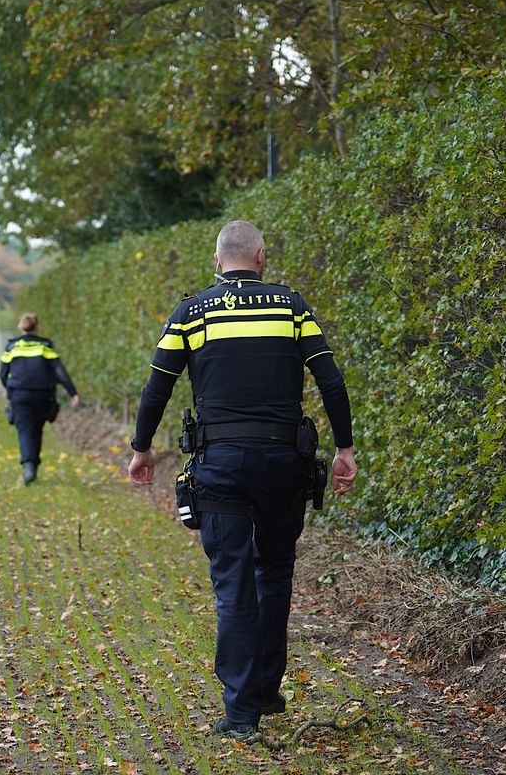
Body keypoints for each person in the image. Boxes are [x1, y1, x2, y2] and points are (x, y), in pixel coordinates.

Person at [127, 220, 357, 739]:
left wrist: (142, 451)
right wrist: (344, 448)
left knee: (232, 584)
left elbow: (156, 387)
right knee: (274, 573)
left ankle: (241, 714)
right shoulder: (292, 308)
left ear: (216, 261)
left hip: (220, 466)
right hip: (283, 464)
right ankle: (266, 691)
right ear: (260, 256)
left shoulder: (191, 313)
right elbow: (330, 379)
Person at [0, 312, 80, 484]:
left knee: (25, 431)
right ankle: (33, 467)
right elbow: (60, 372)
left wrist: (9, 391)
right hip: (43, 396)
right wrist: (72, 392)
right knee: (37, 430)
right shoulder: (45, 346)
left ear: (21, 326)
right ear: (37, 327)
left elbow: (2, 374)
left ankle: (28, 466)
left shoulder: (12, 347)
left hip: (20, 395)